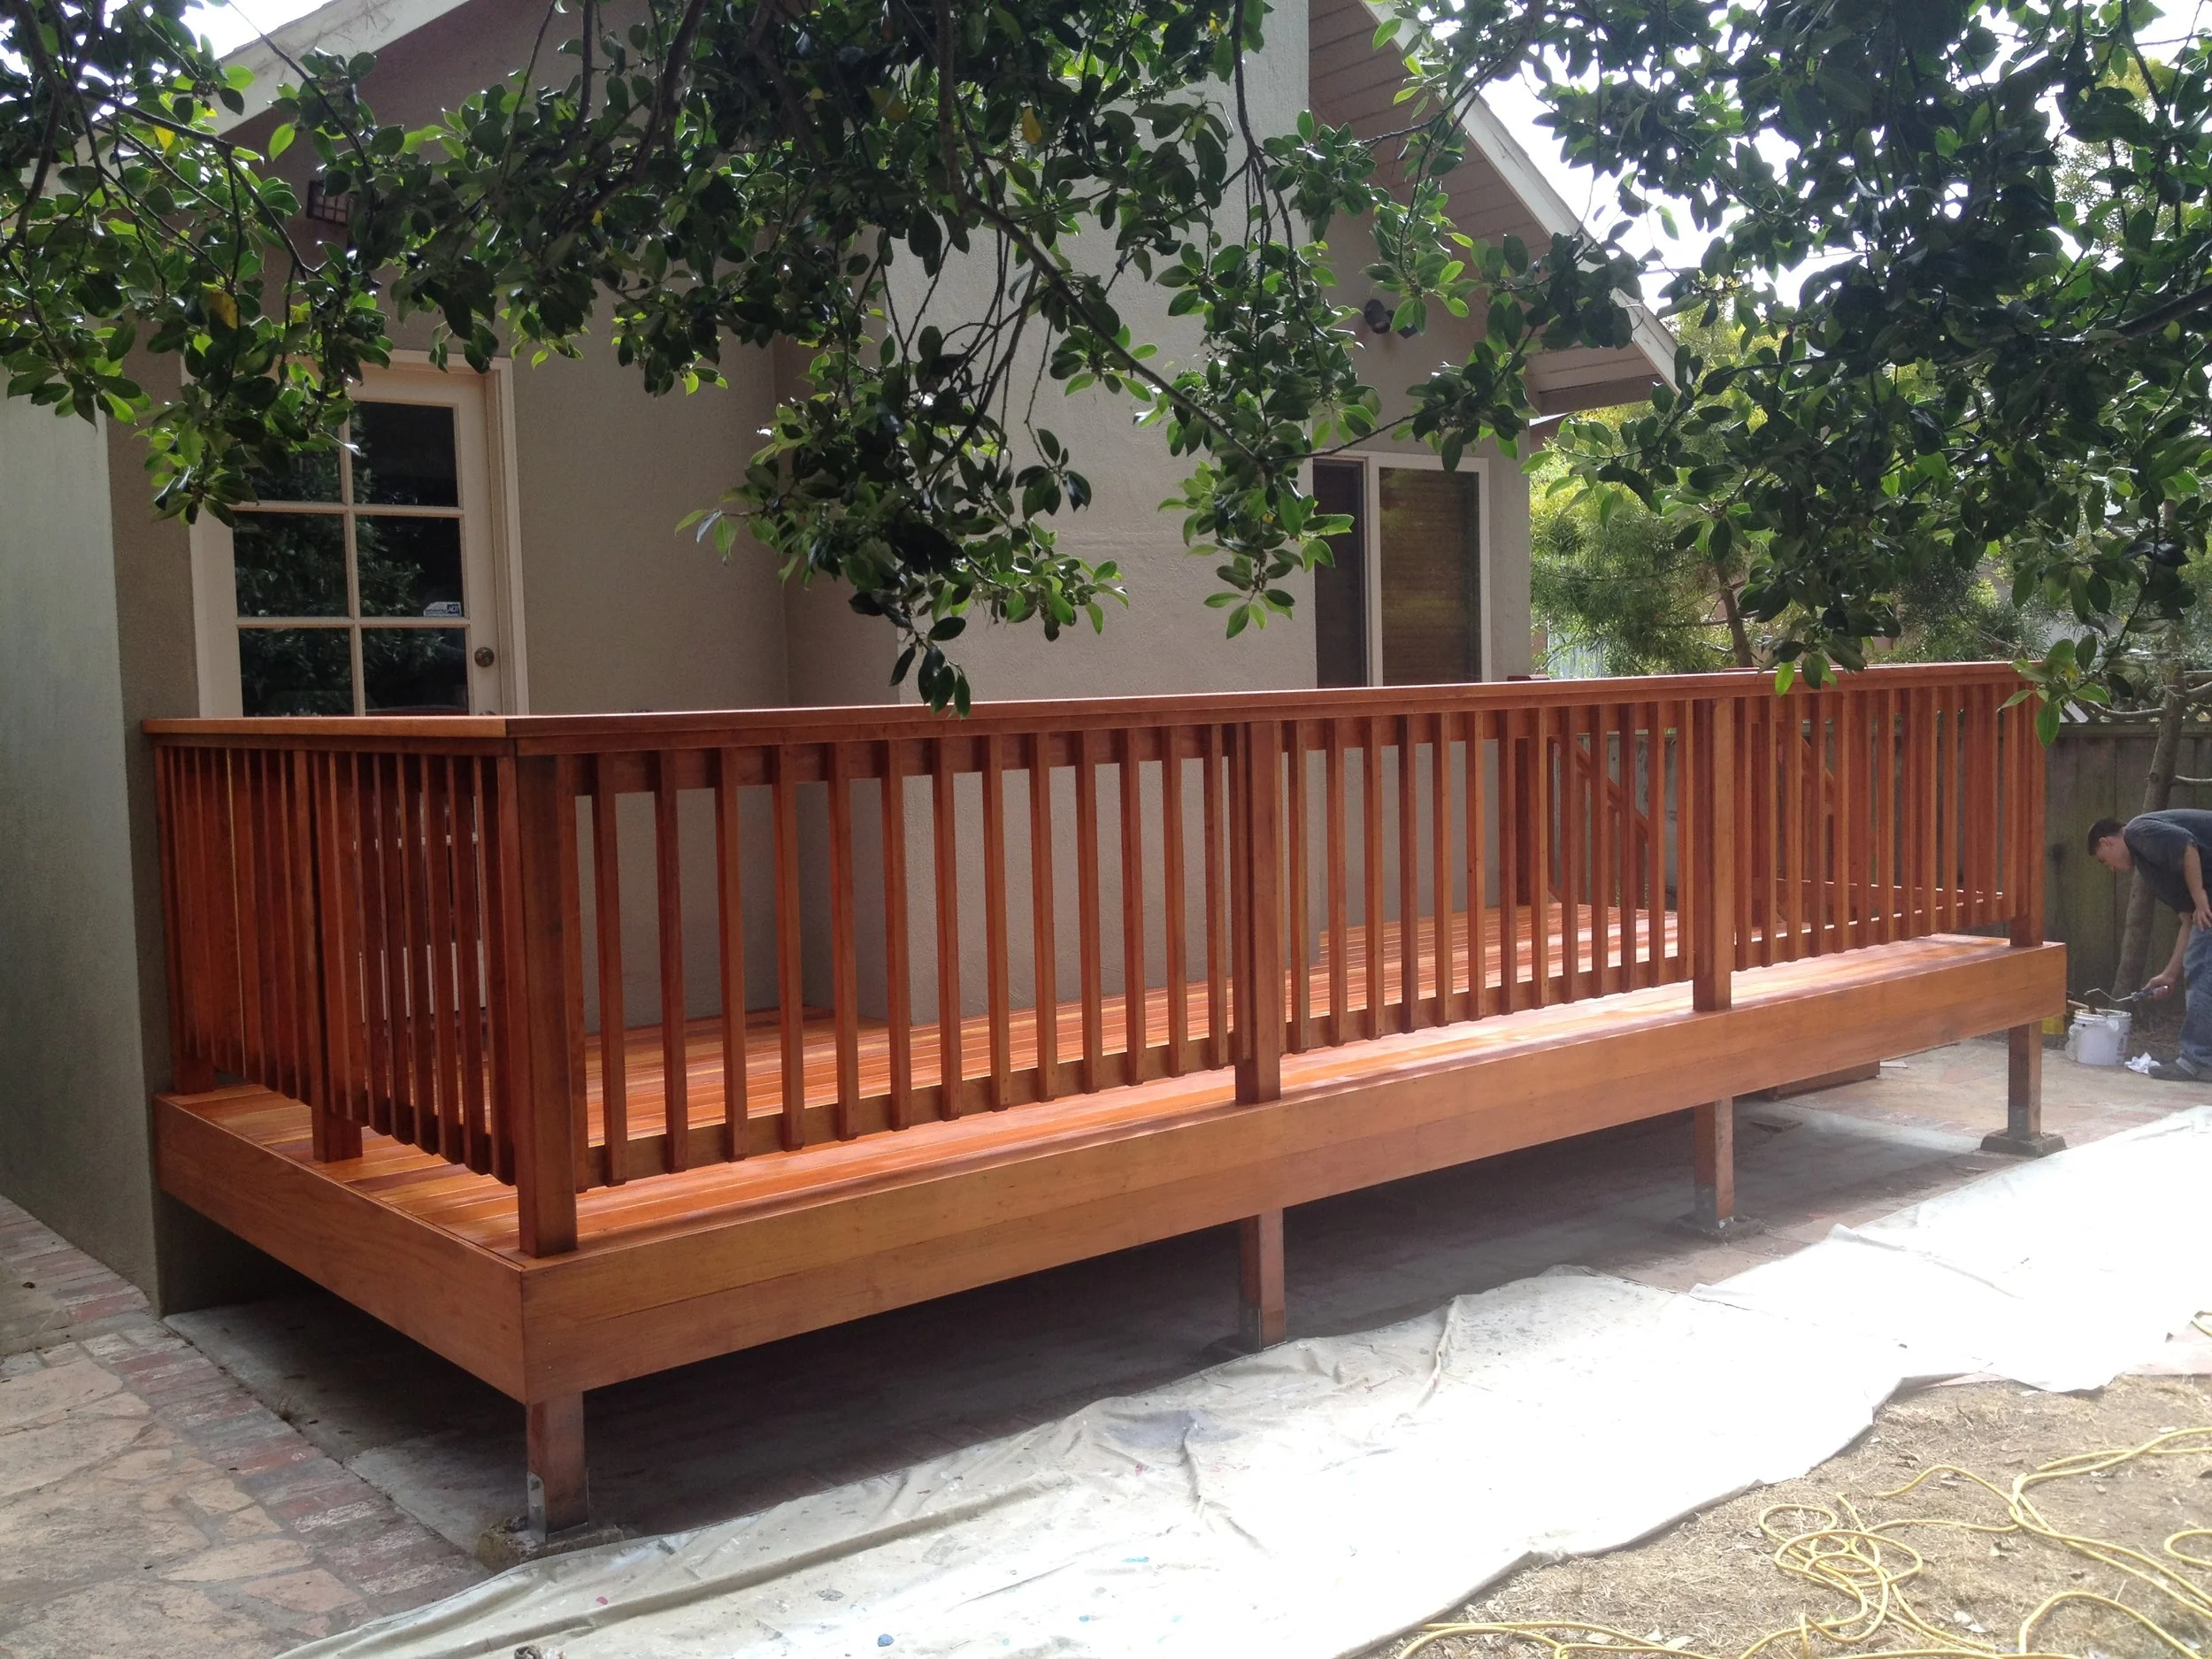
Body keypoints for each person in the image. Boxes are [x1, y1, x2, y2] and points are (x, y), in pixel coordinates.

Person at [2086, 810, 2212, 1079]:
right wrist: (2170, 973)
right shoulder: (2151, 870)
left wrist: (2200, 895)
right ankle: (2198, 1057)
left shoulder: (2137, 831)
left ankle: (2199, 1060)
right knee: (2200, 963)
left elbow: (2186, 845)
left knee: (2202, 967)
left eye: (2103, 860)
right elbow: (2189, 921)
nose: (2110, 868)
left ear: (2106, 843)